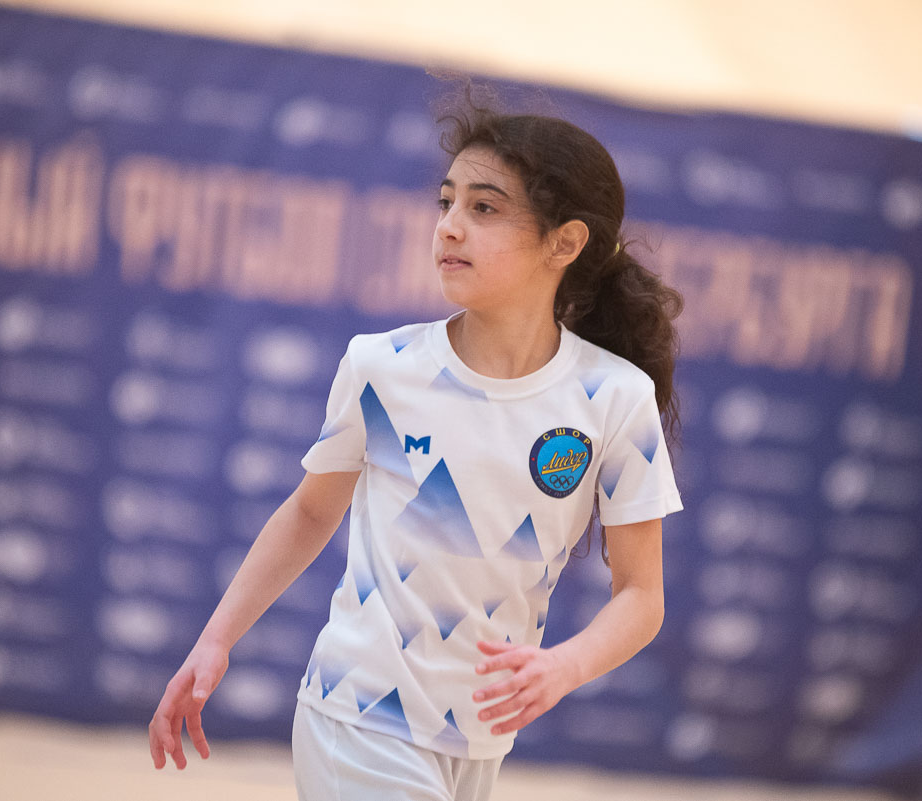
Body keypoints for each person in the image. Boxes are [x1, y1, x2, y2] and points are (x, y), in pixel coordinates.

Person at [148, 95, 684, 801]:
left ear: (564, 244)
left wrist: (565, 666)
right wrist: (215, 639)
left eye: (484, 208)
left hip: (479, 747)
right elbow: (310, 512)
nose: (449, 226)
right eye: (446, 202)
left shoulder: (615, 396)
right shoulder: (382, 365)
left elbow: (642, 595)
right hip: (355, 719)